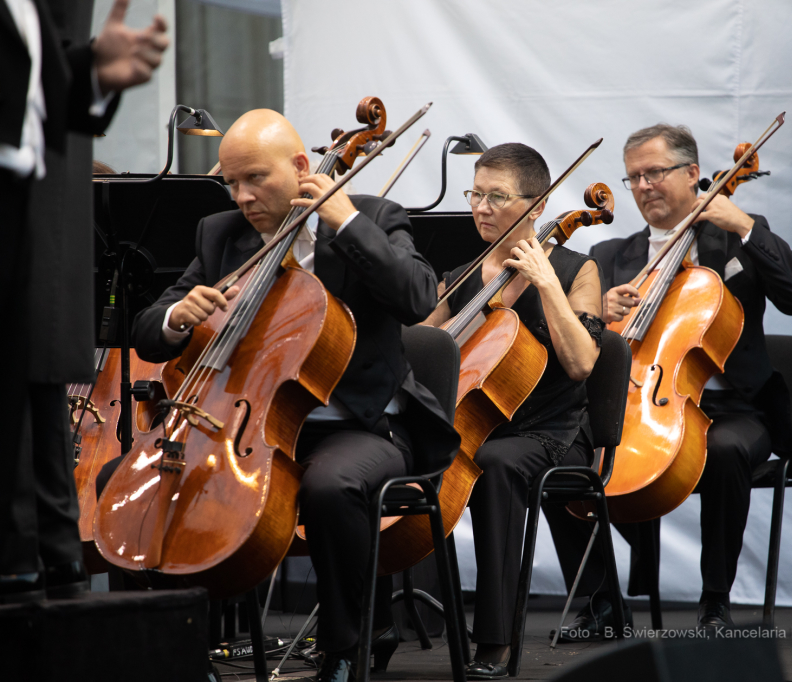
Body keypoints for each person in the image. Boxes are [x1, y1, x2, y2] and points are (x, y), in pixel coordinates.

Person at [97, 109, 459, 682]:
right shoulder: (221, 236)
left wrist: (344, 221)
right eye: (230, 182)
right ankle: (169, 646)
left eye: (254, 179)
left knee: (330, 486)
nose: (240, 196)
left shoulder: (373, 217)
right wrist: (174, 317)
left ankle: (347, 646)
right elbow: (141, 329)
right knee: (123, 480)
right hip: (244, 427)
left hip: (357, 427)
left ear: (298, 166)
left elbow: (417, 300)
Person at [547, 123, 792, 632]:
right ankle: (601, 601)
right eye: (634, 177)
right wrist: (601, 314)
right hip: (641, 407)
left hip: (735, 410)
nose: (643, 186)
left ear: (693, 174)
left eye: (655, 172)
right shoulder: (612, 257)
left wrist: (746, 225)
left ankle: (714, 601)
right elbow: (581, 349)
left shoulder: (733, 237)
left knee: (723, 451)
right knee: (552, 458)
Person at [0, 0, 168, 605]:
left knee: (34, 396)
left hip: (31, 215)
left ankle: (42, 565)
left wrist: (95, 74)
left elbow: (43, 98)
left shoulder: (33, 14)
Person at [423, 143, 606, 679]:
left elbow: (581, 362)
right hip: (476, 421)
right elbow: (419, 345)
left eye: (495, 196)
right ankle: (378, 622)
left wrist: (546, 282)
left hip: (553, 430)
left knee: (497, 463)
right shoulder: (462, 276)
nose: (480, 207)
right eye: (475, 194)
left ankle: (495, 643)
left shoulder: (577, 268)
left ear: (536, 204)